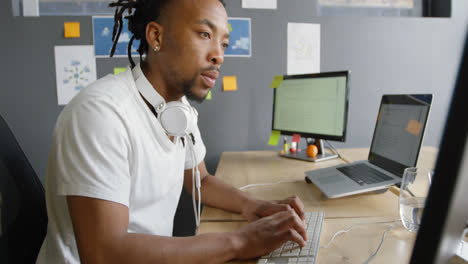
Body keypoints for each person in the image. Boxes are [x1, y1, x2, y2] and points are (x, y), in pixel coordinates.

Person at [36, 0, 308, 263]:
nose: (219, 55)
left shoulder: (177, 108)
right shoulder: (99, 113)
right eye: (204, 34)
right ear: (156, 36)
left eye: (223, 43)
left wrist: (253, 205)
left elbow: (200, 179)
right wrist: (239, 242)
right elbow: (103, 254)